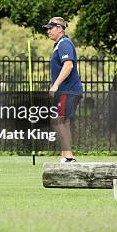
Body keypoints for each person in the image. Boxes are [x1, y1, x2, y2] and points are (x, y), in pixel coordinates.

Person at [43, 17, 83, 163]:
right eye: (48, 28)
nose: (48, 31)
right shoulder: (59, 44)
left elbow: (68, 65)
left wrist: (55, 85)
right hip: (67, 91)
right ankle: (66, 156)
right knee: (62, 122)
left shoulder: (64, 43)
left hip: (68, 91)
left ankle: (69, 157)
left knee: (58, 121)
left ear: (60, 28)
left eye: (51, 28)